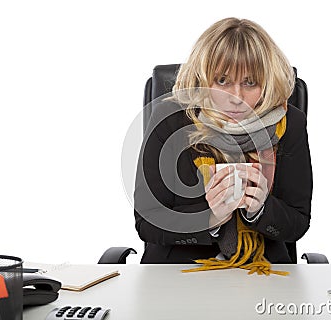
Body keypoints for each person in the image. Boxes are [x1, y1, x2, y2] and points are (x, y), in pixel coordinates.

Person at [133, 17, 312, 275]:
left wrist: (262, 210)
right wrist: (210, 218)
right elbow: (147, 222)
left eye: (250, 82)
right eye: (222, 81)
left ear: (267, 81)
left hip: (262, 272)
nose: (236, 98)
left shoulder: (290, 123)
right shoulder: (169, 117)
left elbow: (298, 222)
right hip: (178, 273)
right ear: (203, 78)